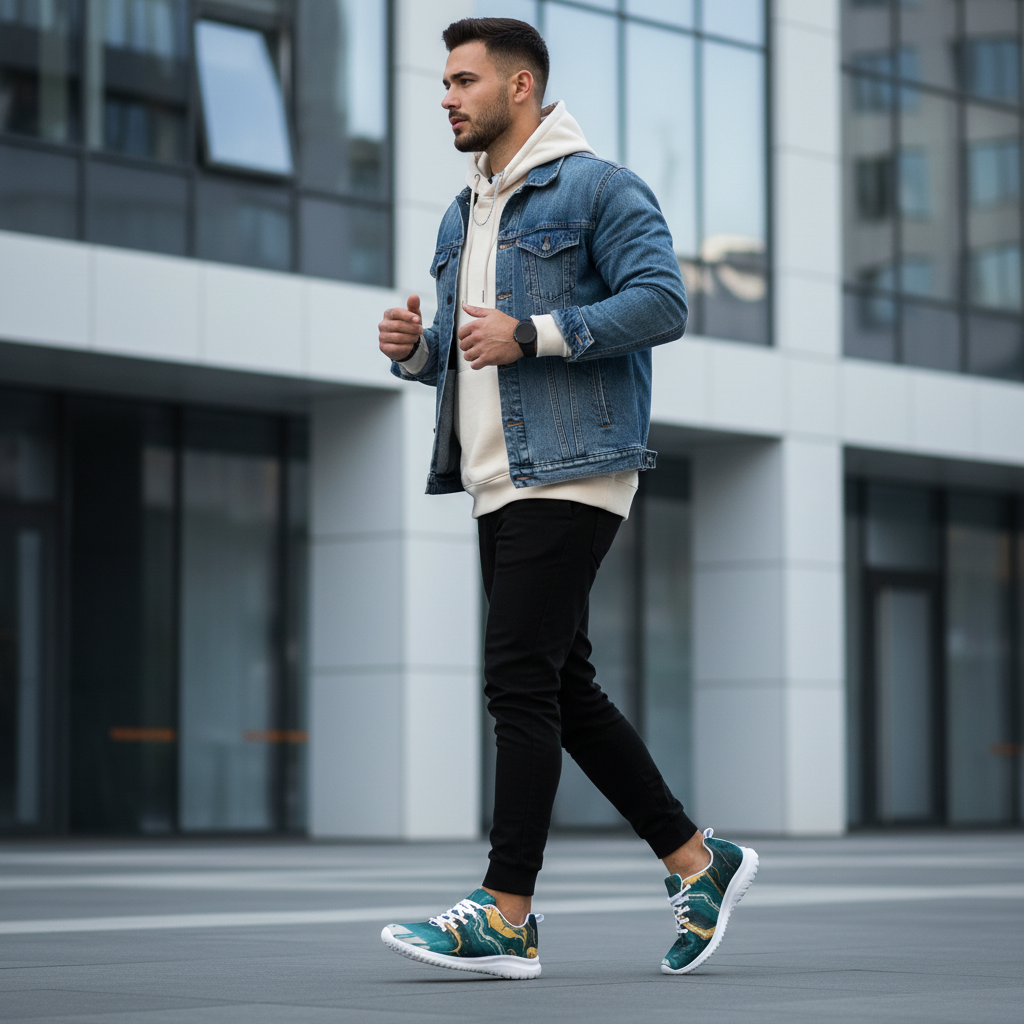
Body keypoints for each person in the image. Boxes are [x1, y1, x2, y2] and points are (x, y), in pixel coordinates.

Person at [376, 17, 757, 980]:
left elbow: (663, 300)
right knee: (559, 686)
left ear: (521, 88)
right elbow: (479, 356)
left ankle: (507, 914)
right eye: (445, 83)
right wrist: (419, 355)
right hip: (496, 480)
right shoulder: (463, 213)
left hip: (576, 469)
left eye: (463, 81)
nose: (447, 97)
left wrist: (538, 331)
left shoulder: (599, 187)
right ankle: (696, 859)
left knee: (516, 681)